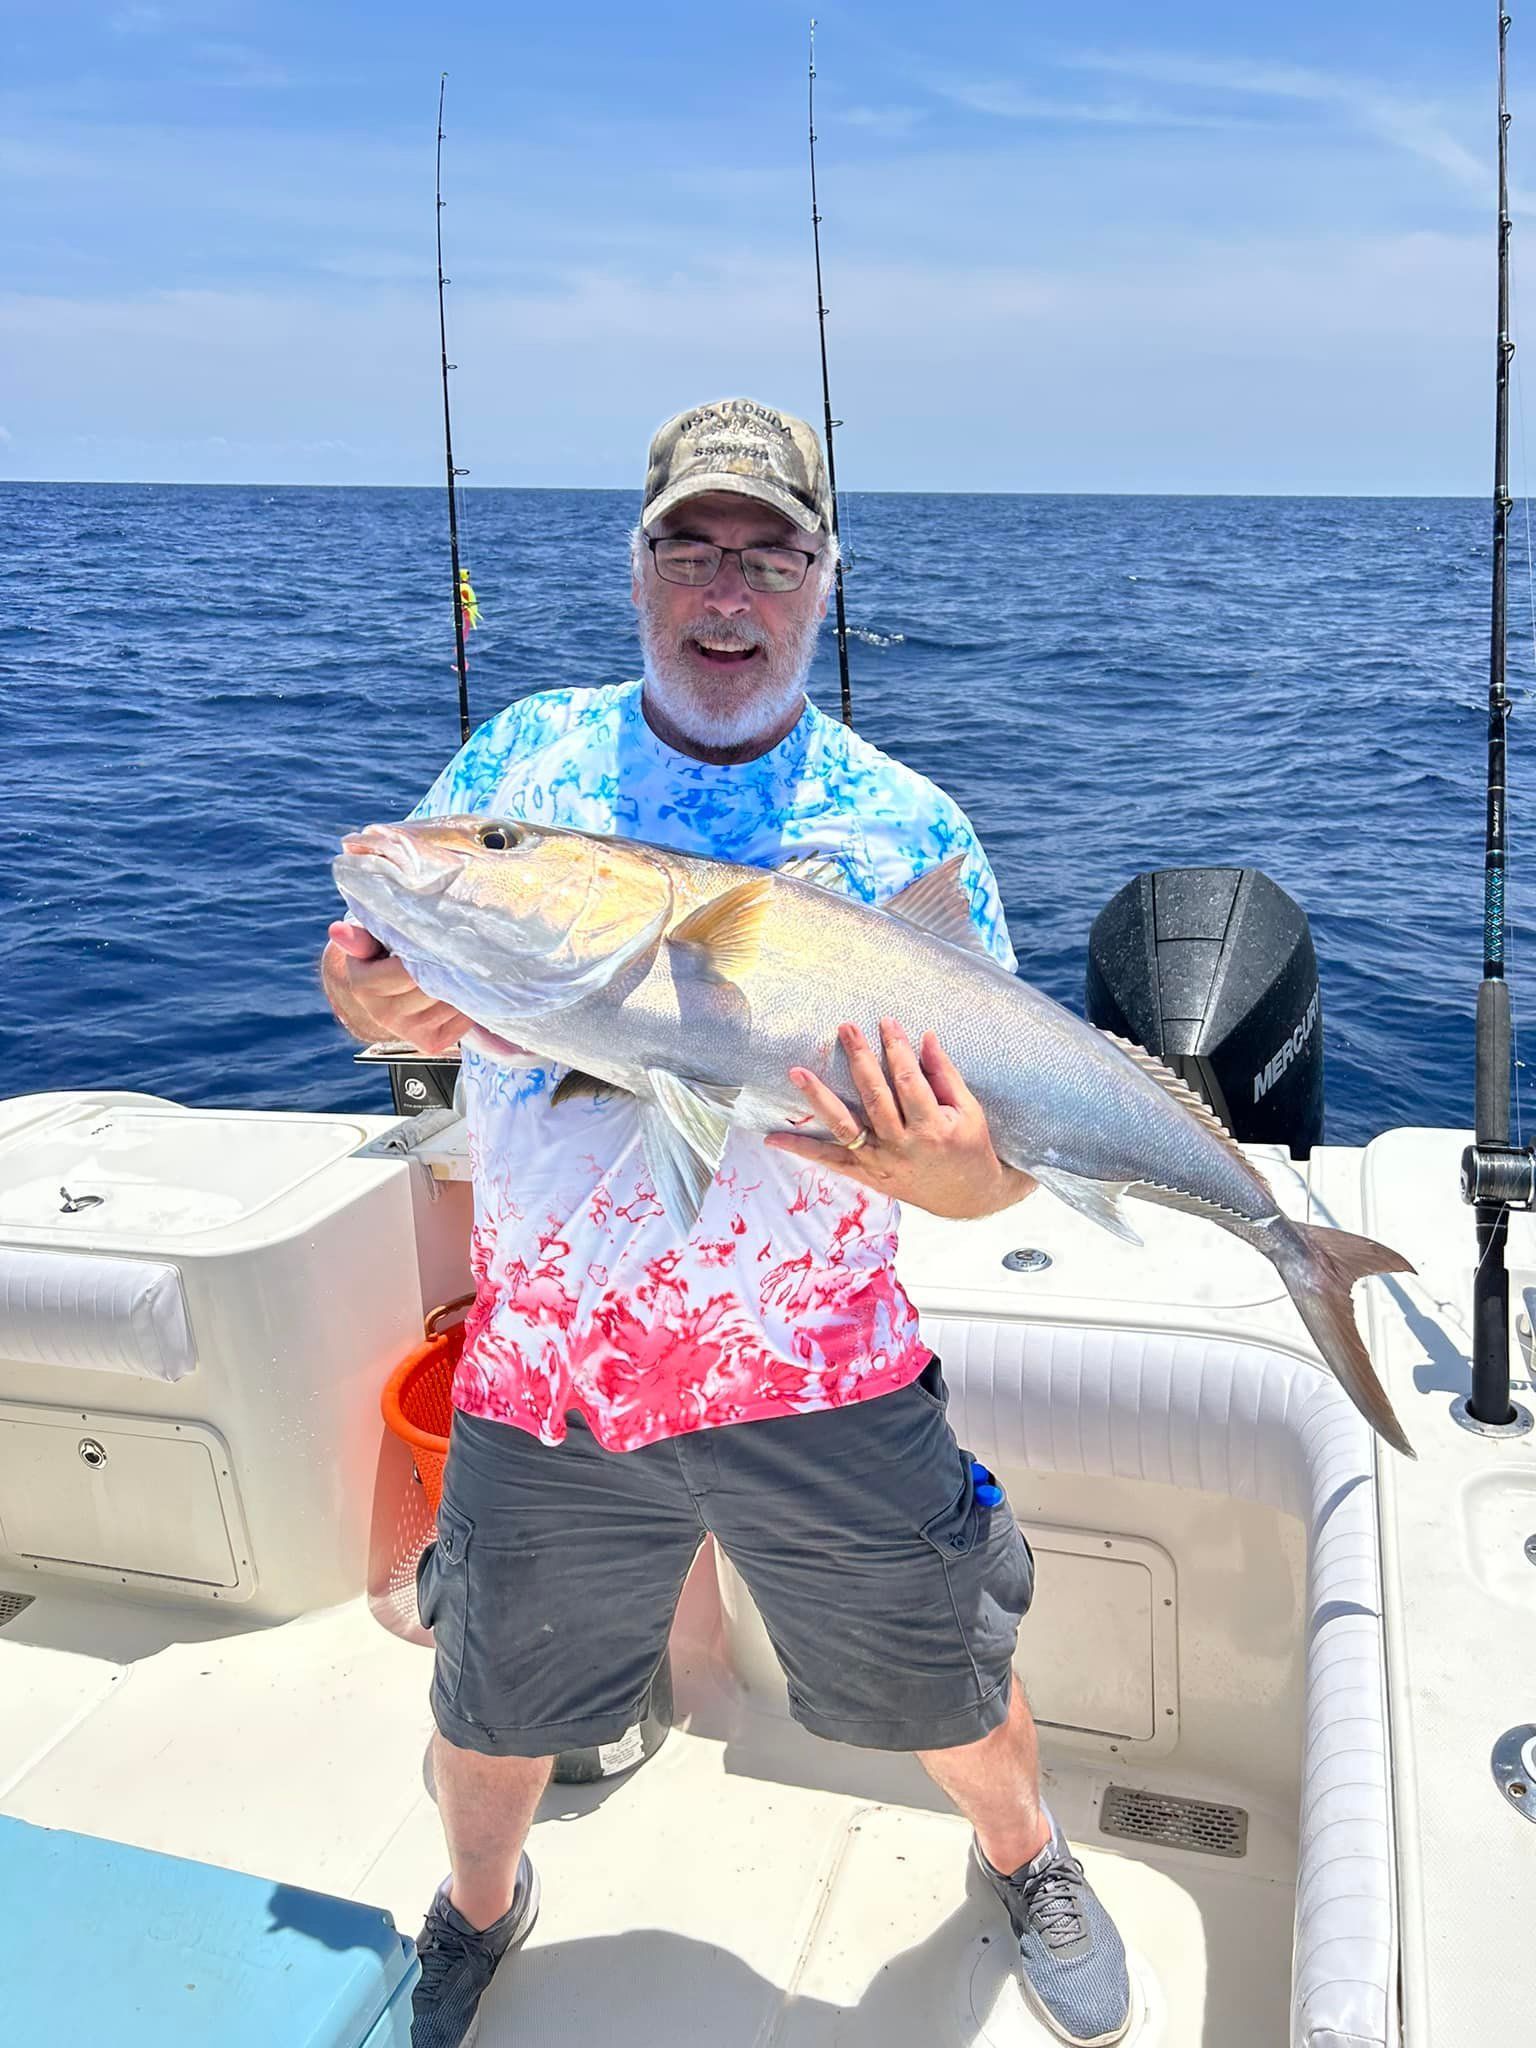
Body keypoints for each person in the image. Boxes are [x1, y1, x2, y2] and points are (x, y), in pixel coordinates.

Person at [321, 397, 1133, 2048]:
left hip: (824, 1372)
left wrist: (932, 1164)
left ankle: (1029, 1858)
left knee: (946, 1679)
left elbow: (999, 1174)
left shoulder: (909, 830)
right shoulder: (526, 765)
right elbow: (389, 973)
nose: (727, 589)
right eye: (690, 547)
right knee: (492, 1700)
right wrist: (366, 997)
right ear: (637, 571)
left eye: (771, 554)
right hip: (550, 1372)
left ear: (825, 583)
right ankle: (478, 1902)